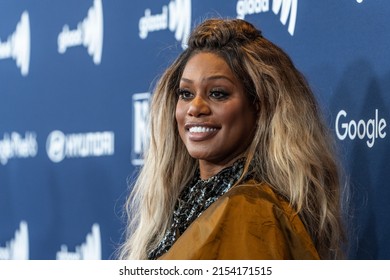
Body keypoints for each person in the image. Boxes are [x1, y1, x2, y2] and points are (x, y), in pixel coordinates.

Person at [119, 18, 346, 260]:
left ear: (259, 106)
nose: (195, 107)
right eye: (186, 94)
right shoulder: (192, 203)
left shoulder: (253, 213)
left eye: (218, 93)